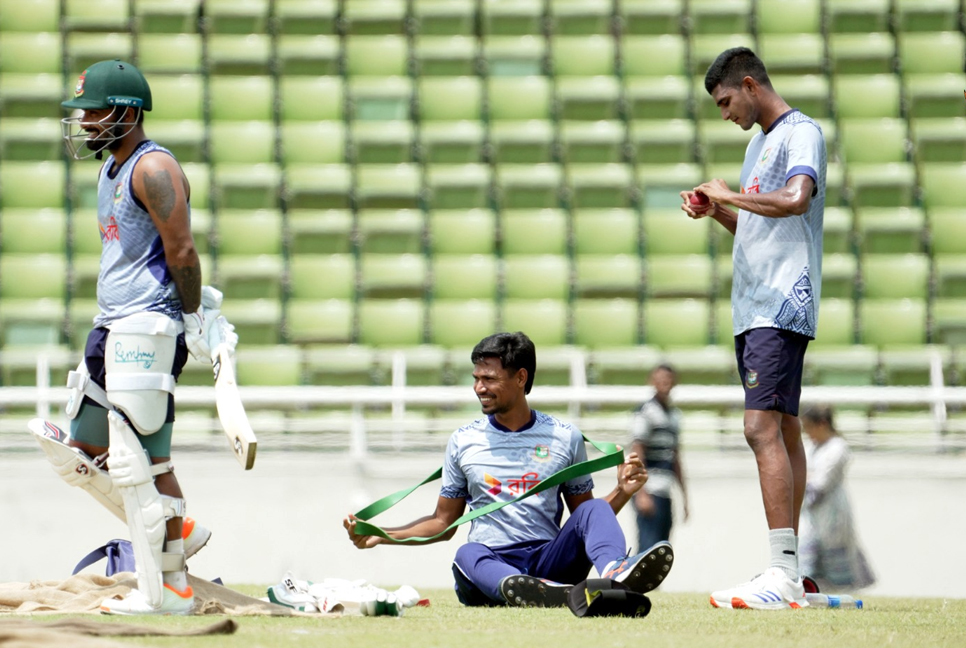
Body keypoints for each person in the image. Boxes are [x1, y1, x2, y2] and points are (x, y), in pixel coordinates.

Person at [37, 59, 225, 615]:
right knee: (81, 450)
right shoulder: (112, 169)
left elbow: (183, 251)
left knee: (143, 462)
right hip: (110, 324)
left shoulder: (154, 168)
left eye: (94, 112)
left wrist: (191, 318)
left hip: (147, 325)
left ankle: (168, 589)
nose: (87, 122)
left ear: (127, 110)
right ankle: (177, 530)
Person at [344, 332, 674, 608]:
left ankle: (615, 573)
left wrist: (623, 492)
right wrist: (382, 535)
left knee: (595, 507)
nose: (479, 388)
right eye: (476, 379)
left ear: (520, 377)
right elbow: (443, 523)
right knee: (467, 553)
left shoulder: (564, 436)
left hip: (550, 559)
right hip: (492, 561)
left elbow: (585, 519)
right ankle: (522, 589)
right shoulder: (463, 441)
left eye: (489, 379)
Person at [679, 47, 826, 610]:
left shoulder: (800, 132)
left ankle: (781, 572)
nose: (725, 114)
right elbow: (759, 229)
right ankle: (793, 572)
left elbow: (795, 200)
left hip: (781, 301)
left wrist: (728, 193)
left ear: (748, 84)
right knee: (784, 429)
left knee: (759, 427)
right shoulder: (757, 144)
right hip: (754, 304)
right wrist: (718, 210)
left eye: (725, 102)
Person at [799, 405, 876, 592]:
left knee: (837, 565)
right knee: (808, 560)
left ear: (823, 424)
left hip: (833, 513)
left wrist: (804, 479)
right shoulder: (812, 448)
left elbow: (819, 483)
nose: (808, 433)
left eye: (810, 427)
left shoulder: (838, 448)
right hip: (812, 514)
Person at [630, 365, 689, 554]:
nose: (665, 384)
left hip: (664, 490)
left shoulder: (674, 416)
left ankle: (653, 585)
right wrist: (641, 492)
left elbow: (675, 457)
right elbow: (637, 450)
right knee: (647, 547)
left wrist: (685, 497)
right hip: (650, 489)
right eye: (660, 380)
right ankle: (636, 584)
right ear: (652, 382)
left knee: (661, 549)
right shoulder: (646, 412)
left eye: (668, 380)